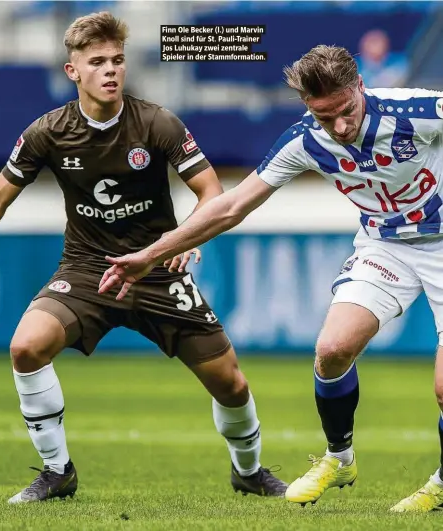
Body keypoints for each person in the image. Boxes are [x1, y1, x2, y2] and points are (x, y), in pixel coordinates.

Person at [0, 12, 287, 503]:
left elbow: (210, 190)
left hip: (156, 267)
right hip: (89, 271)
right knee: (26, 347)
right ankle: (56, 471)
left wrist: (191, 240)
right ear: (73, 72)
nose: (111, 70)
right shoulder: (47, 132)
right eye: (97, 62)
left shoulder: (156, 122)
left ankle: (249, 471)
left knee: (230, 384)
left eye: (117, 60)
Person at [98, 44, 443, 512]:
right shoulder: (303, 141)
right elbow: (233, 205)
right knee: (332, 350)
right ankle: (340, 458)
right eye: (325, 117)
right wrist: (150, 255)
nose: (339, 127)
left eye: (346, 111)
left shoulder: (418, 111)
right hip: (385, 245)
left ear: (360, 85)